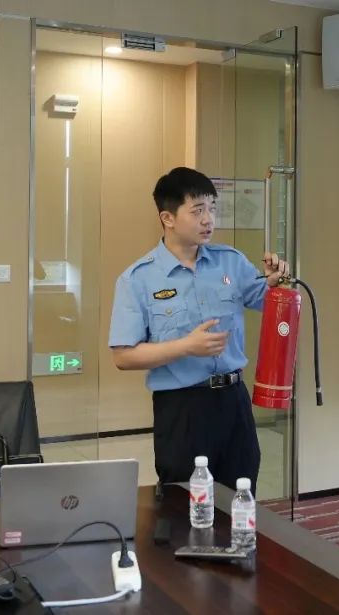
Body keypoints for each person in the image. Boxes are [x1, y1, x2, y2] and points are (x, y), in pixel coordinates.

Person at [108, 167, 289, 493]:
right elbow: (123, 356)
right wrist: (186, 347)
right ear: (168, 218)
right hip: (182, 408)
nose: (208, 220)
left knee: (241, 493)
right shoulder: (138, 279)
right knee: (185, 502)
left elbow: (266, 301)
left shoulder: (230, 261)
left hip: (234, 400)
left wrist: (276, 283)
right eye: (197, 211)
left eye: (212, 209)